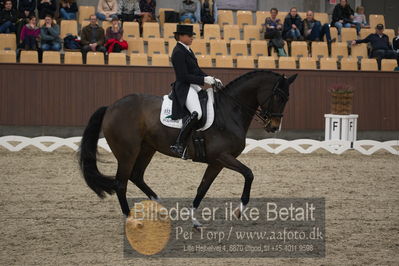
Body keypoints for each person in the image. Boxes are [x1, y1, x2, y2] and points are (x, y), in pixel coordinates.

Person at [169, 24, 222, 159]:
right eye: (189, 35)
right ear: (181, 36)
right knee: (197, 113)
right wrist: (204, 79)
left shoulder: (188, 50)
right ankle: (179, 144)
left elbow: (197, 71)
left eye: (192, 35)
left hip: (193, 86)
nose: (192, 38)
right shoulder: (178, 52)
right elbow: (183, 77)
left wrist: (211, 79)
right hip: (184, 87)